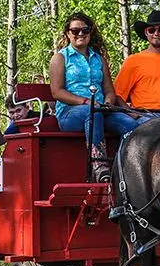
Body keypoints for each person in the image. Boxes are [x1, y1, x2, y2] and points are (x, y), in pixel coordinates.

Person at [49, 12, 139, 182]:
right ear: (68, 33)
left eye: (85, 30)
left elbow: (110, 91)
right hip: (70, 113)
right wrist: (86, 102)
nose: (81, 34)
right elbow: (57, 92)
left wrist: (107, 102)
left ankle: (128, 168)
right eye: (75, 31)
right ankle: (99, 165)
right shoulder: (60, 58)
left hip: (100, 110)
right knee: (92, 113)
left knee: (131, 125)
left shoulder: (99, 59)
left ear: (90, 33)